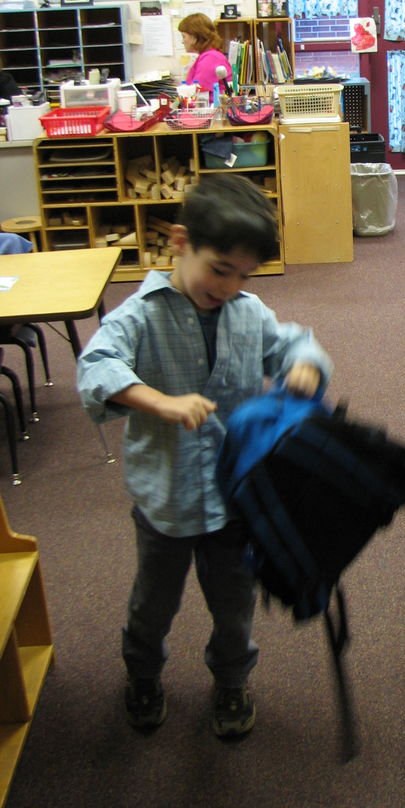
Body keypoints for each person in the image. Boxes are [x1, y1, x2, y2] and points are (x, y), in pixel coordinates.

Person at [77, 174, 333, 736]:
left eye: (244, 274)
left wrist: (304, 363)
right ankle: (143, 674)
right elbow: (96, 366)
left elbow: (290, 341)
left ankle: (232, 682)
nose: (230, 285)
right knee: (153, 602)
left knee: (234, 604)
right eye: (220, 269)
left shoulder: (247, 310)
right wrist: (159, 402)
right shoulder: (139, 316)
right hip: (165, 501)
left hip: (234, 500)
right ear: (179, 241)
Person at [177, 13, 233, 96]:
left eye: (184, 36)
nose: (182, 41)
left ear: (195, 36)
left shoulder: (211, 58)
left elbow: (196, 93)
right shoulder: (208, 56)